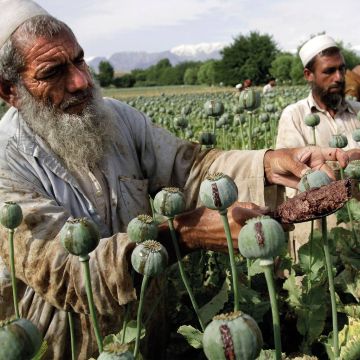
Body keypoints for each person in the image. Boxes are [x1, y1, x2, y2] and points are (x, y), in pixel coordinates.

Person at [0, 3, 350, 359]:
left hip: (149, 334)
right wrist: (185, 234)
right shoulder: (5, 162)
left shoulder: (115, 119)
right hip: (63, 345)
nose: (80, 80)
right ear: (9, 90)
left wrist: (269, 162)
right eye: (53, 72)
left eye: (79, 60)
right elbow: (68, 273)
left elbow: (194, 167)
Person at [276, 34, 360, 257]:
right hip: (316, 240)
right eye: (329, 71)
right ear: (308, 75)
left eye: (342, 69)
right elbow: (292, 177)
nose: (339, 77)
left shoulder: (357, 112)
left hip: (356, 231)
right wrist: (346, 160)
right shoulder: (294, 116)